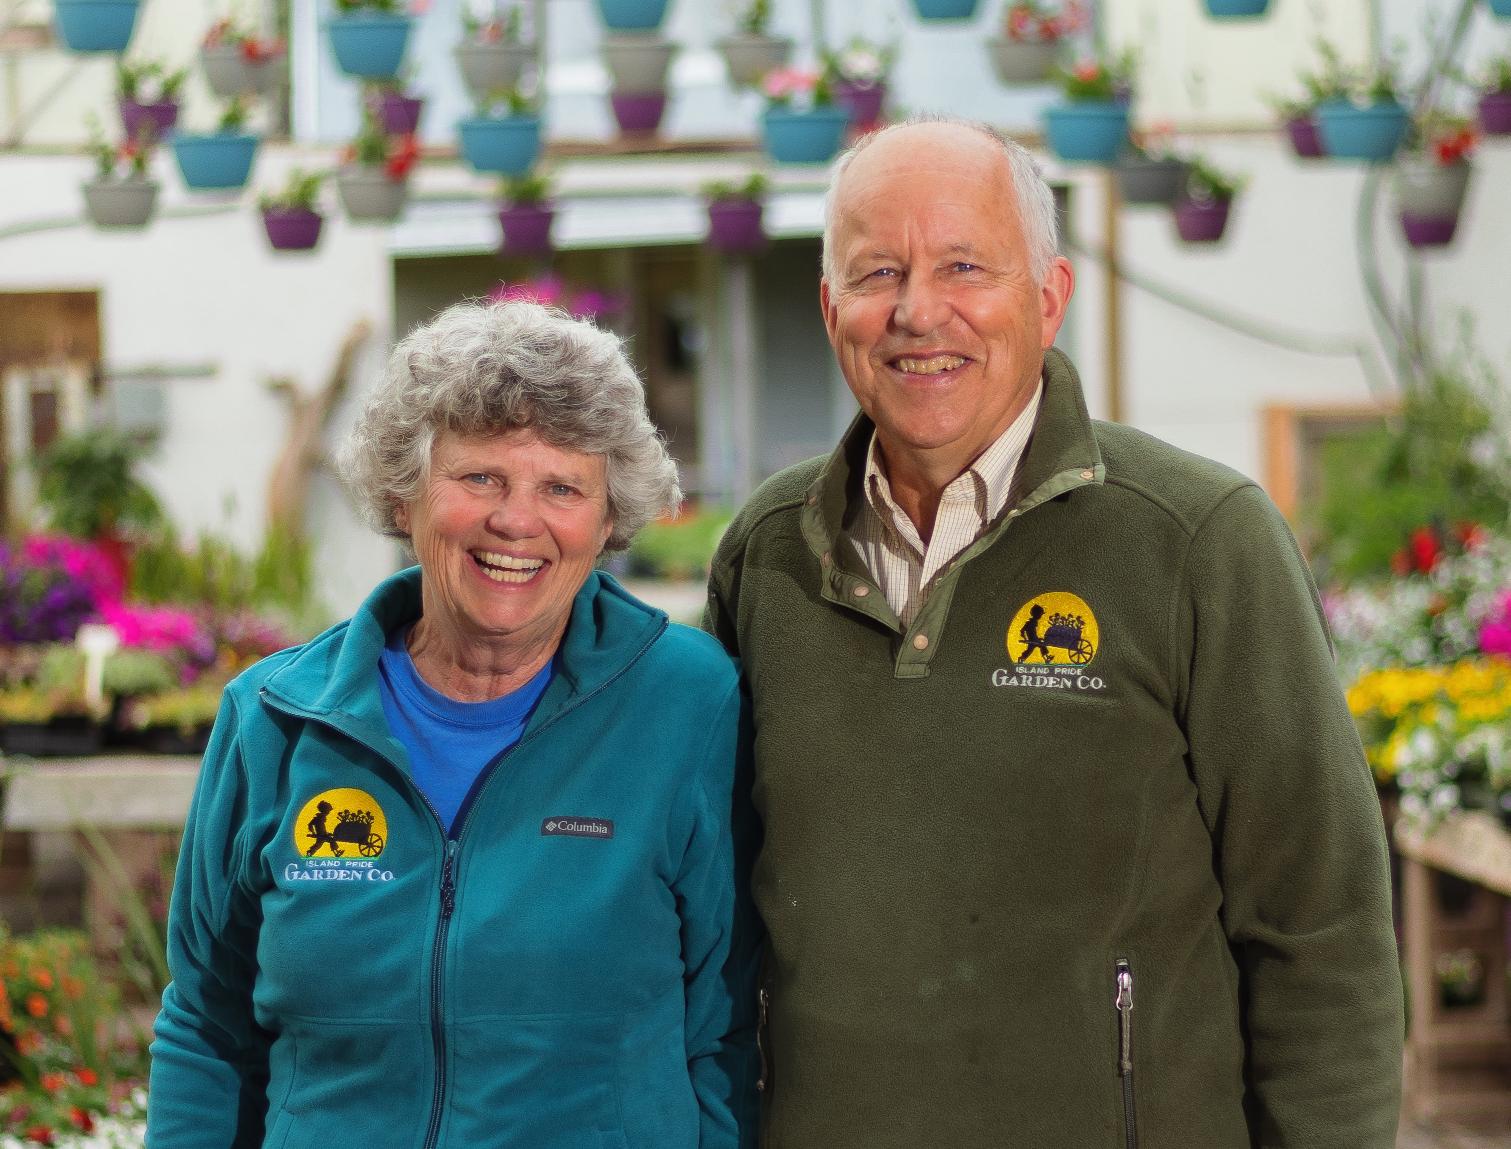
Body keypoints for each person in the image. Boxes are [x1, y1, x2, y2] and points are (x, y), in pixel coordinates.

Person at [703, 116, 1403, 1148]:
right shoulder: (766, 554)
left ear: (1047, 296)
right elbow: (711, 919)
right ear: (829, 308)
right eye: (876, 271)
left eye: (961, 265)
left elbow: (1318, 927)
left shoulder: (1196, 541)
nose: (916, 311)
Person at [149, 299, 760, 1149]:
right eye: (480, 478)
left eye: (561, 487)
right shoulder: (274, 719)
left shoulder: (687, 704)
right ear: (405, 496)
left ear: (607, 520)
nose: (516, 519)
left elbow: (723, 1029)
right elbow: (207, 1025)